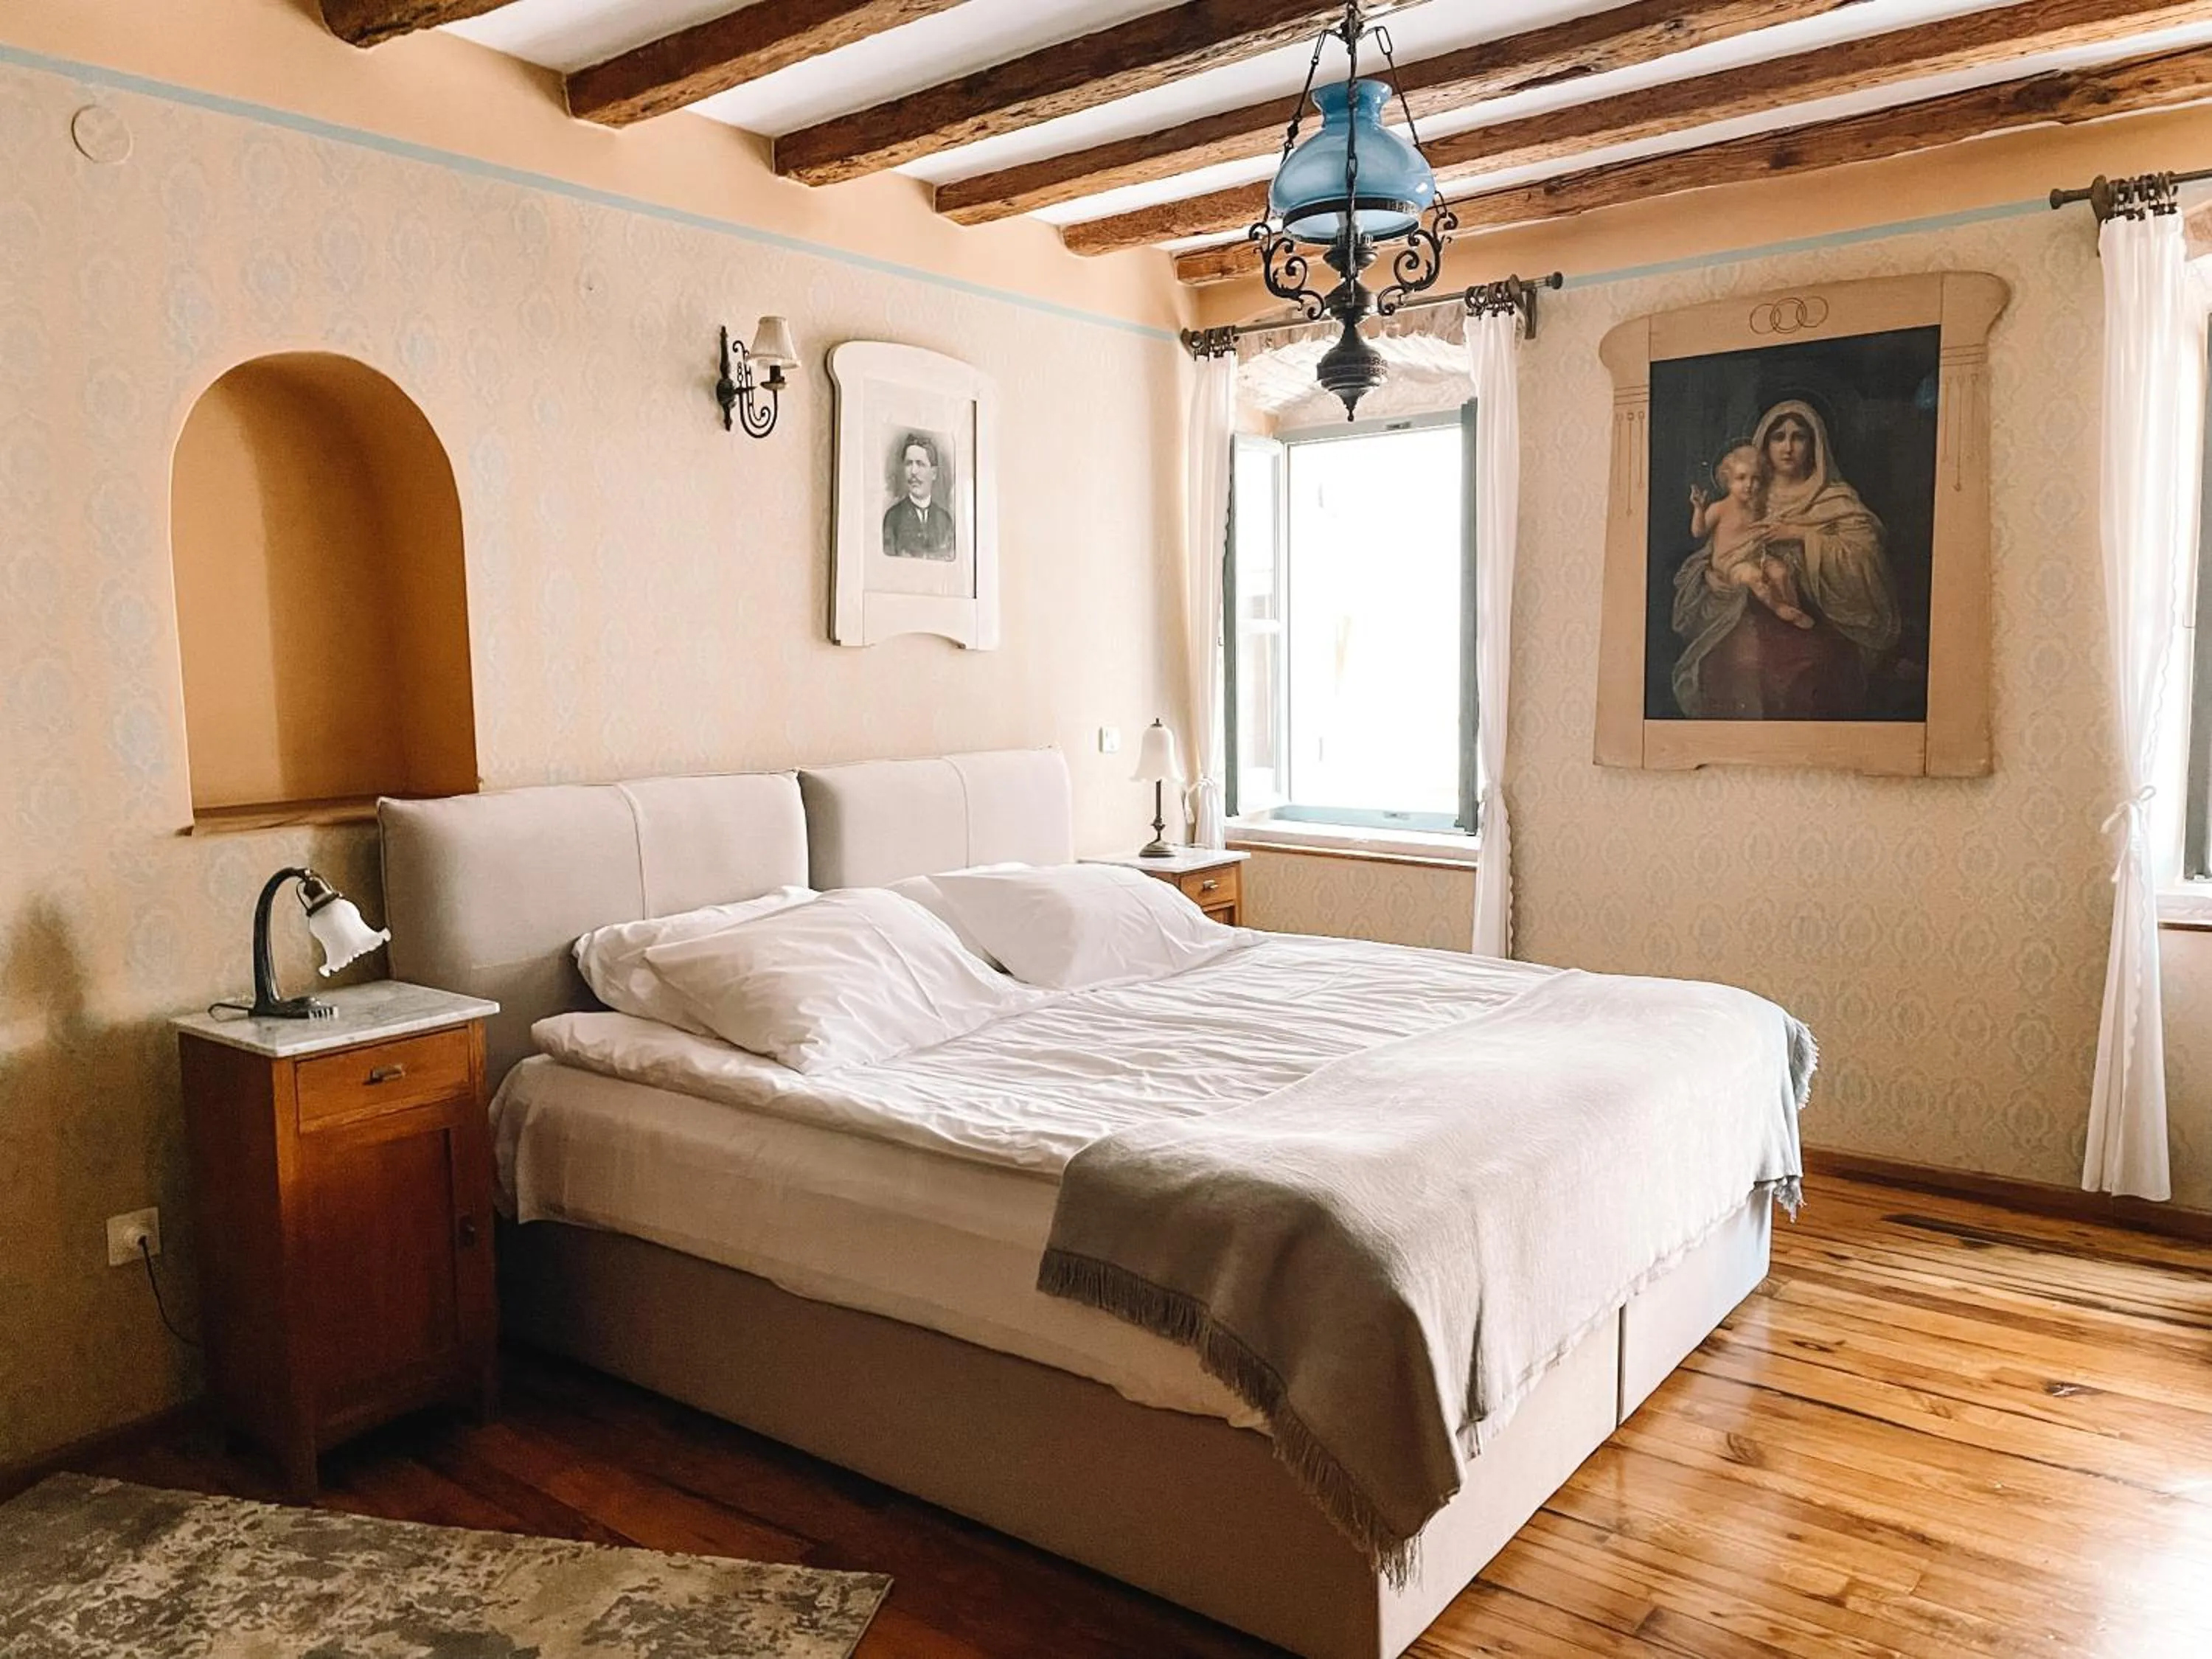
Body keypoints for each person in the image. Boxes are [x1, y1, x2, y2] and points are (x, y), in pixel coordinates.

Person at [1671, 400, 1900, 720]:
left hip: (1821, 614)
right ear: (1764, 444)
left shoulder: (1833, 498)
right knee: (1731, 666)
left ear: (1815, 443)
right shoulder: (1746, 494)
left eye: (1799, 437)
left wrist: (1799, 533)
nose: (1788, 447)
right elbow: (1714, 553)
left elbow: (1866, 554)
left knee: (1810, 674)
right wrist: (1718, 576)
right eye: (1778, 437)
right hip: (1746, 614)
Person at [1689, 442, 1812, 629]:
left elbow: (1765, 528)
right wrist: (1699, 509)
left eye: (1755, 479)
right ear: (1728, 480)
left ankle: (1794, 609)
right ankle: (1779, 608)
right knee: (1754, 576)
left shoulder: (1757, 507)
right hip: (1731, 563)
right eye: (1741, 478)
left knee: (1781, 572)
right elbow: (1698, 532)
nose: (1749, 485)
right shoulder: (1720, 508)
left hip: (1756, 555)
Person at [882, 432, 956, 560]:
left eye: (920, 464)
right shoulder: (893, 518)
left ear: (934, 473)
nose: (913, 472)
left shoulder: (945, 521)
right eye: (909, 464)